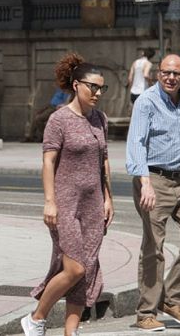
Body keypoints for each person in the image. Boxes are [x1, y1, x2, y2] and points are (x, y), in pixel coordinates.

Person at [21, 54, 114, 336]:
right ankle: (36, 318)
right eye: (92, 87)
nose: (97, 93)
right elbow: (48, 162)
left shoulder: (100, 119)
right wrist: (50, 202)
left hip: (93, 205)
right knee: (74, 268)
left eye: (101, 88)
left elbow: (103, 160)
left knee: (88, 267)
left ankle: (70, 330)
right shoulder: (59, 119)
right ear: (76, 85)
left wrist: (109, 198)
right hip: (66, 204)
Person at [125, 54, 180, 332]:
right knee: (154, 248)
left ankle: (172, 299)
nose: (171, 77)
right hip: (153, 179)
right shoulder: (146, 102)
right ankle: (146, 313)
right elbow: (136, 143)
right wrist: (145, 183)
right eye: (166, 72)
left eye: (176, 73)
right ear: (158, 74)